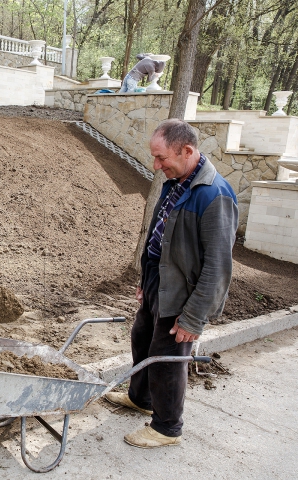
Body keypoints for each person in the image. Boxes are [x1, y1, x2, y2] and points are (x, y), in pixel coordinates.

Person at [106, 119, 238, 447]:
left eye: (161, 158)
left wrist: (194, 317)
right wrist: (144, 278)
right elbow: (159, 236)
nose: (156, 165)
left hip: (182, 293)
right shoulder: (175, 180)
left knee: (167, 357)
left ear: (188, 151)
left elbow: (218, 266)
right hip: (157, 280)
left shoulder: (213, 195)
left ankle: (167, 427)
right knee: (142, 339)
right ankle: (141, 398)